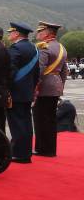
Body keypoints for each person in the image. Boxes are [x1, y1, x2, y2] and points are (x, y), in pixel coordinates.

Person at [6, 21, 40, 164]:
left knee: (17, 124)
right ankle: (26, 152)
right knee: (26, 123)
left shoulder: (16, 48)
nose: (9, 34)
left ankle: (19, 154)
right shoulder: (34, 48)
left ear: (17, 33)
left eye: (11, 32)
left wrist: (5, 88)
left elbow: (10, 72)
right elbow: (37, 72)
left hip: (16, 92)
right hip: (27, 92)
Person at [33, 21, 67, 157]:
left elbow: (39, 70)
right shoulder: (62, 48)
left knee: (40, 118)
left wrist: (35, 86)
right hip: (56, 86)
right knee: (51, 119)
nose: (38, 34)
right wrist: (60, 86)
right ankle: (50, 149)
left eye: (40, 31)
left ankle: (42, 149)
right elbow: (64, 71)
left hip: (44, 87)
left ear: (47, 34)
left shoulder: (44, 47)